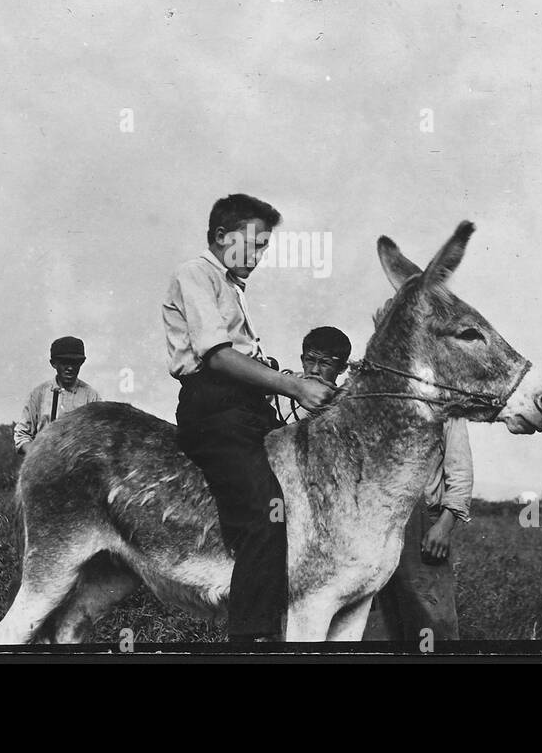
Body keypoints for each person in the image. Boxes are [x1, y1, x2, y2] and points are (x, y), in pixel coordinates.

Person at [162, 193, 334, 642]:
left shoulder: (230, 288)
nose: (257, 257)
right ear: (220, 236)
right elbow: (217, 357)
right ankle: (251, 642)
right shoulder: (195, 275)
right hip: (215, 410)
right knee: (267, 518)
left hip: (246, 408)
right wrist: (295, 386)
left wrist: (280, 377)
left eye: (263, 249)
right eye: (251, 245)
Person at [364, 418, 473, 642]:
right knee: (379, 622)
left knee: (432, 622)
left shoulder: (446, 404)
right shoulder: (373, 393)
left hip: (422, 525)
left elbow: (461, 472)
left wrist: (443, 526)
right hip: (375, 522)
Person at [12, 336, 101, 454]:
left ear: (81, 363)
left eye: (75, 363)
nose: (70, 368)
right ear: (54, 363)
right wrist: (36, 456)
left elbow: (99, 438)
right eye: (64, 362)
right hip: (43, 463)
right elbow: (22, 435)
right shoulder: (39, 394)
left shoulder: (91, 397)